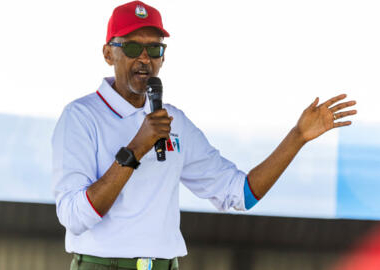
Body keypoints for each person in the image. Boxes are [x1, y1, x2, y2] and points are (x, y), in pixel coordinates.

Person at [51, 1, 357, 270]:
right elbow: (74, 217)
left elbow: (239, 193)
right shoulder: (81, 117)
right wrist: (135, 149)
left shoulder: (175, 122)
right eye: (132, 47)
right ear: (108, 53)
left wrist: (297, 137)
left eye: (155, 49)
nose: (145, 58)